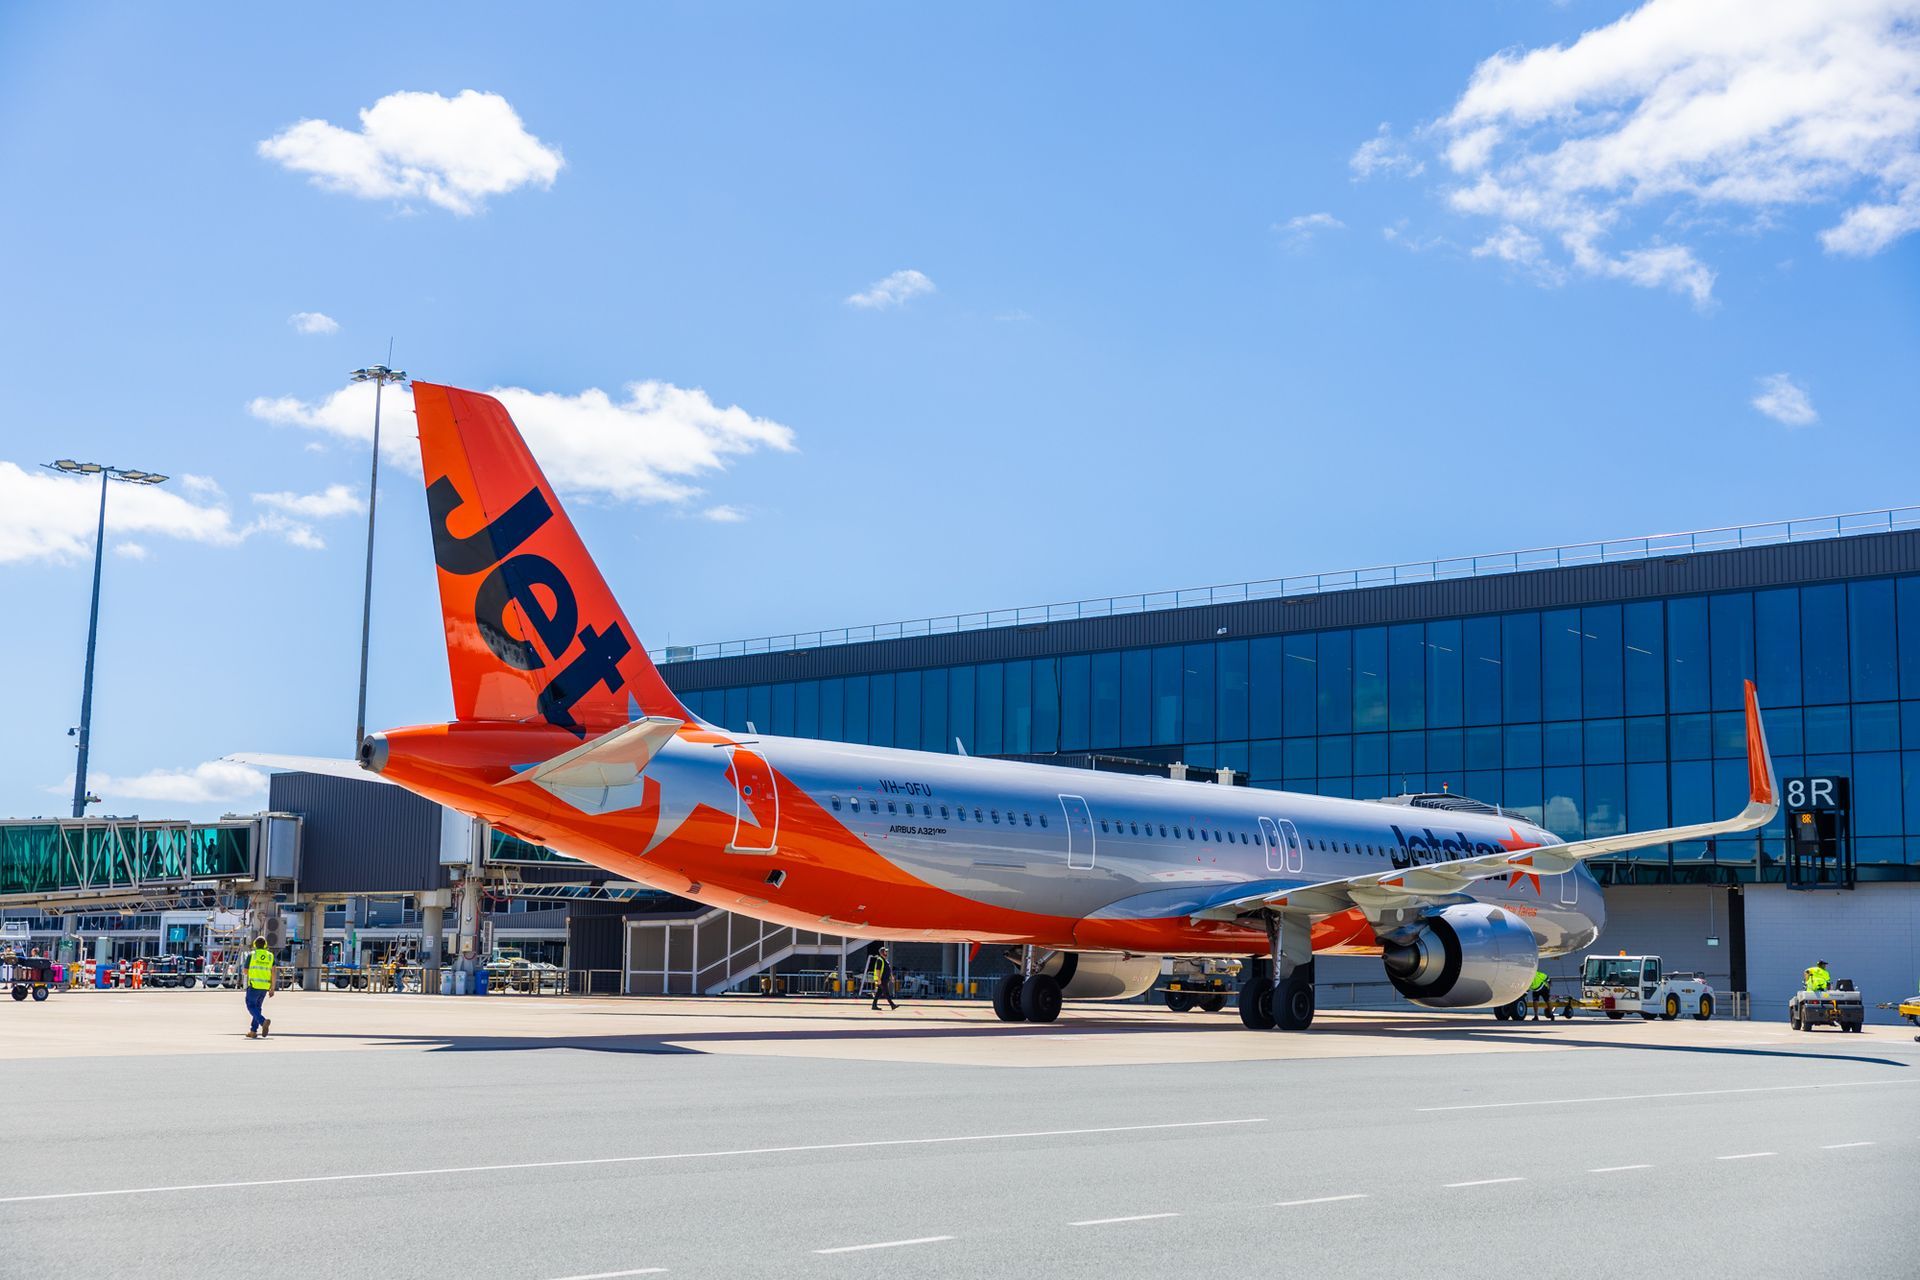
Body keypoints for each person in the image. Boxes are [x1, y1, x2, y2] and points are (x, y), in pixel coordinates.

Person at [243, 936, 276, 1039]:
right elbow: (274, 972)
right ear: (265, 945)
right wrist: (272, 988)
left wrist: (253, 973)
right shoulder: (270, 956)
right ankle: (253, 1031)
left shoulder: (252, 955)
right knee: (257, 1008)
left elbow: (245, 971)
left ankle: (263, 1022)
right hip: (265, 987)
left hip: (254, 985)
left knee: (251, 1006)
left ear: (254, 945)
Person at [869, 946, 899, 1012]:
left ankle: (874, 1005)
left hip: (885, 979)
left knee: (879, 993)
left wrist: (891, 977)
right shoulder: (880, 960)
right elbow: (878, 970)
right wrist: (879, 979)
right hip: (882, 979)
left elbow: (889, 970)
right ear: (882, 952)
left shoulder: (886, 961)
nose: (886, 952)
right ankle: (892, 1005)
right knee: (886, 992)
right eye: (885, 951)